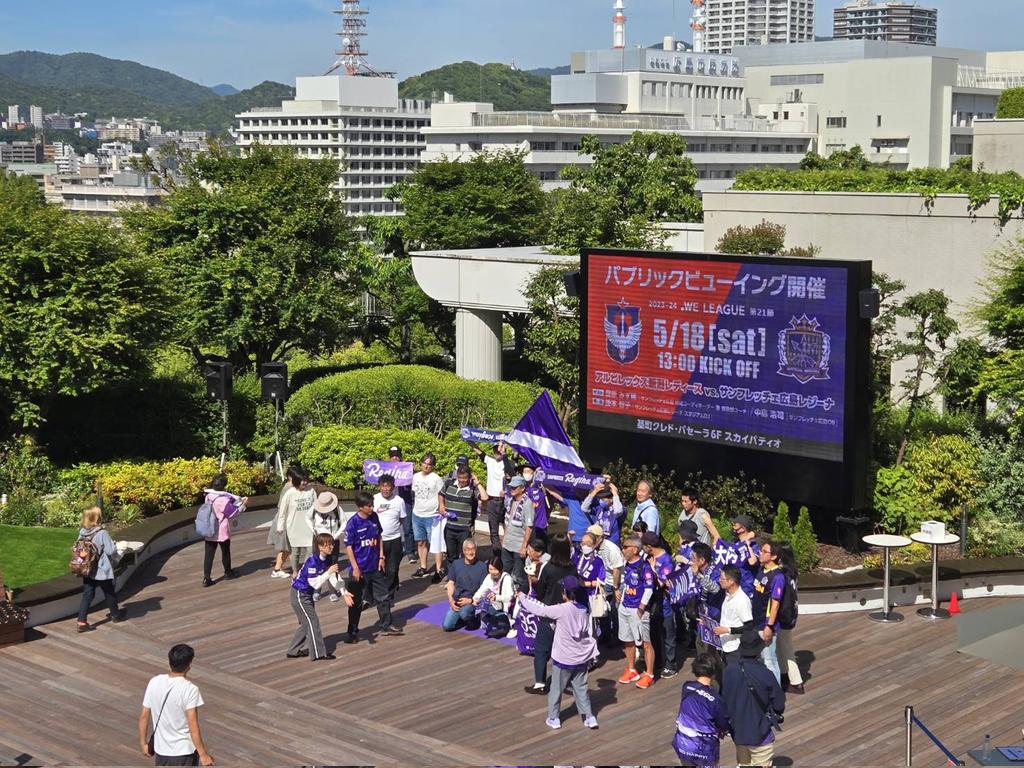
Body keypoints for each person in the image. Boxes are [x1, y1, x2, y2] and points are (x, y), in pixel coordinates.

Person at [519, 575, 599, 730]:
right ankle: (589, 717)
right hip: (581, 658)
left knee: (556, 689)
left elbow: (539, 610)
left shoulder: (561, 609)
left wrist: (522, 597)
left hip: (564, 659)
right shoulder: (584, 609)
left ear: (565, 593)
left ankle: (554, 718)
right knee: (581, 688)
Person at [139, 643, 213, 766]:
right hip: (183, 752)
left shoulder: (155, 681)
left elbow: (144, 716)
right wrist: (203, 754)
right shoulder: (190, 689)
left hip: (161, 750)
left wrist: (143, 743)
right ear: (189, 665)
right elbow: (193, 725)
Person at [721, 632, 787, 768]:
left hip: (738, 732)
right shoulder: (765, 673)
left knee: (743, 764)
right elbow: (779, 704)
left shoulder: (729, 671)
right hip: (760, 732)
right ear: (759, 650)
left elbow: (724, 700)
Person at [344, 491, 401, 641]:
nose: (371, 508)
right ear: (360, 507)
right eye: (368, 506)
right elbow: (349, 547)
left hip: (375, 566)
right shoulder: (352, 524)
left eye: (372, 505)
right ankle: (353, 632)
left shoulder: (374, 517)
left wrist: (381, 556)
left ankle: (386, 625)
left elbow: (379, 537)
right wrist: (355, 567)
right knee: (356, 603)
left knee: (384, 597)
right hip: (359, 570)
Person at [288, 532, 350, 660]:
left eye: (332, 544)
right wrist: (328, 572)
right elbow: (315, 584)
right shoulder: (312, 561)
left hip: (306, 595)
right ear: (320, 546)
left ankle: (293, 650)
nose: (331, 547)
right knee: (312, 622)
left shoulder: (327, 560)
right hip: (299, 594)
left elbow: (333, 578)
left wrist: (344, 592)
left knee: (306, 623)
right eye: (328, 545)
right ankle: (318, 653)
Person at [525, 534, 574, 695]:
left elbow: (540, 591)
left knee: (541, 649)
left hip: (550, 613)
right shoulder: (572, 567)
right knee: (566, 649)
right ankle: (568, 680)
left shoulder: (548, 568)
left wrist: (534, 581)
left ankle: (540, 683)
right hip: (568, 613)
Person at [673, 653, 730, 768]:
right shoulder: (715, 699)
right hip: (705, 751)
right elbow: (723, 723)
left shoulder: (687, 687)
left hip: (684, 745)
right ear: (713, 673)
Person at [75, 506, 126, 633]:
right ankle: (115, 615)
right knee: (109, 592)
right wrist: (113, 544)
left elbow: (79, 549)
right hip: (101, 569)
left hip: (87, 568)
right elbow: (110, 551)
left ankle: (81, 622)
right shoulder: (102, 533)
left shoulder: (82, 532)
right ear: (97, 518)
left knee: (88, 594)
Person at [616, 535, 656, 690]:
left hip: (638, 610)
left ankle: (650, 673)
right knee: (628, 640)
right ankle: (632, 669)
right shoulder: (626, 564)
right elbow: (626, 583)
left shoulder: (644, 566)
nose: (623, 549)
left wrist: (641, 607)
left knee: (646, 643)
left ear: (634, 549)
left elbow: (649, 588)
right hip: (625, 607)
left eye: (625, 546)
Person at [643, 530, 681, 679]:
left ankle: (671, 665)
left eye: (644, 546)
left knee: (668, 636)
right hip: (652, 604)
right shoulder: (648, 558)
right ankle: (657, 661)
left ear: (649, 546)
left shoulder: (666, 560)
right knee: (654, 634)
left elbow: (663, 583)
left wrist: (653, 569)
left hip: (664, 604)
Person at [753, 539, 788, 685]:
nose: (760, 553)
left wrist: (769, 625)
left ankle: (776, 694)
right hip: (756, 621)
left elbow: (775, 604)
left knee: (770, 660)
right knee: (761, 658)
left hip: (766, 624)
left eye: (764, 552)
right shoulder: (762, 570)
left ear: (773, 556)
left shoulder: (778, 577)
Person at [469, 438, 512, 553]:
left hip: (505, 500)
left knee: (507, 526)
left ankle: (507, 550)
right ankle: (497, 553)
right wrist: (469, 439)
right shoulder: (490, 461)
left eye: (499, 450)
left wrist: (504, 452)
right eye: (495, 450)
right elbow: (478, 451)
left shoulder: (507, 462)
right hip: (492, 500)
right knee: (493, 529)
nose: (497, 453)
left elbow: (512, 475)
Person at [585, 523, 624, 645]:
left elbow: (617, 569)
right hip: (603, 582)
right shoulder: (593, 549)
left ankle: (617, 637)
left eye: (593, 537)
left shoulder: (610, 549)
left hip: (616, 582)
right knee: (602, 609)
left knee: (615, 610)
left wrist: (616, 587)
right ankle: (605, 635)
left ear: (600, 537)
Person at [775, 543, 804, 695]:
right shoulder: (793, 572)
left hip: (784, 616)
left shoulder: (782, 574)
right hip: (791, 613)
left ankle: (796, 681)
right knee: (782, 645)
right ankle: (784, 674)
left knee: (786, 648)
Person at [711, 565, 755, 667]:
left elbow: (749, 626)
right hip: (725, 646)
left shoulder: (742, 600)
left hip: (735, 649)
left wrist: (728, 630)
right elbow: (727, 618)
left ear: (731, 581)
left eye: (722, 578)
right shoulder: (727, 595)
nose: (719, 580)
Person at [410, 453, 445, 579]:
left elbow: (441, 493)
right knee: (420, 542)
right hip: (417, 514)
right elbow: (415, 492)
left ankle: (439, 569)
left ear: (433, 466)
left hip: (432, 516)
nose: (426, 466)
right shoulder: (415, 477)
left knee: (435, 543)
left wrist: (441, 507)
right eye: (424, 463)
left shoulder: (436, 478)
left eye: (429, 464)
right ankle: (423, 567)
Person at [374, 474, 407, 602]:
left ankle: (389, 593)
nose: (385, 489)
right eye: (383, 486)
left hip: (394, 539)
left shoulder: (399, 501)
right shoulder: (374, 499)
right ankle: (380, 593)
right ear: (379, 487)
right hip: (378, 541)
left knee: (392, 570)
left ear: (393, 487)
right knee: (379, 569)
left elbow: (402, 519)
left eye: (388, 487)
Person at [439, 465, 481, 567]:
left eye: (465, 478)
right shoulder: (449, 483)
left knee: (465, 554)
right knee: (450, 554)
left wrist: (477, 483)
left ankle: (464, 576)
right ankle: (452, 577)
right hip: (449, 526)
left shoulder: (473, 489)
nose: (462, 480)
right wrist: (441, 505)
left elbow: (484, 497)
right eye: (460, 478)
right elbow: (441, 494)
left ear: (469, 478)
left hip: (464, 528)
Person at [443, 538, 488, 631]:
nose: (470, 552)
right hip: (457, 600)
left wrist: (471, 600)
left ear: (476, 550)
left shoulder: (482, 567)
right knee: (447, 626)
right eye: (468, 549)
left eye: (473, 549)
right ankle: (463, 618)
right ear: (463, 551)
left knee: (465, 614)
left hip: (472, 601)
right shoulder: (456, 564)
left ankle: (474, 619)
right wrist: (451, 600)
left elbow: (484, 589)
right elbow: (451, 583)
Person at [689, 543, 724, 661]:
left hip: (715, 617)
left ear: (702, 560)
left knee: (712, 652)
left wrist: (698, 576)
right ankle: (705, 675)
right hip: (703, 616)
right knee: (700, 645)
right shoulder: (697, 570)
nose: (691, 561)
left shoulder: (716, 571)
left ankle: (716, 677)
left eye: (693, 558)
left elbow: (715, 589)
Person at [501, 476, 534, 594]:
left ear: (522, 488)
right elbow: (507, 522)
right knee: (505, 573)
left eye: (515, 487)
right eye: (511, 487)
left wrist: (524, 546)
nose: (512, 489)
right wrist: (504, 539)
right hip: (507, 544)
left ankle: (521, 599)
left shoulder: (527, 503)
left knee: (519, 576)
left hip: (518, 545)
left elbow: (529, 527)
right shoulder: (511, 501)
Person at [714, 514, 760, 598]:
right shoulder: (734, 543)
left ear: (742, 528)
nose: (733, 527)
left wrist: (747, 544)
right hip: (731, 587)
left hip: (746, 588)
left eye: (735, 525)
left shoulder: (754, 544)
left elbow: (753, 561)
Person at [282, 471, 316, 577]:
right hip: (294, 526)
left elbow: (317, 505)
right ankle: (295, 570)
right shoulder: (289, 493)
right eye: (302, 480)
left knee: (311, 550)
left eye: (306, 480)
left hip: (309, 526)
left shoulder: (311, 491)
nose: (305, 483)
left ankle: (305, 568)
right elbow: (282, 511)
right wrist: (280, 526)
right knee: (295, 552)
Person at [269, 467, 300, 578]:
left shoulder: (291, 486)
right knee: (287, 547)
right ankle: (279, 569)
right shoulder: (289, 487)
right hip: (284, 520)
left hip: (286, 519)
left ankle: (282, 569)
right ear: (290, 477)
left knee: (288, 547)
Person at [387, 446, 417, 564]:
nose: (395, 457)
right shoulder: (386, 469)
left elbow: (414, 483)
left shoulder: (406, 469)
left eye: (397, 455)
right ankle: (396, 550)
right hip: (391, 501)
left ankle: (410, 551)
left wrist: (411, 470)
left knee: (407, 528)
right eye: (392, 455)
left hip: (406, 502)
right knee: (392, 527)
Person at [473, 555, 516, 635]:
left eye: (495, 569)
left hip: (506, 608)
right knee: (479, 607)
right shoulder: (489, 577)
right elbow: (482, 588)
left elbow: (510, 597)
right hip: (495, 605)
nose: (493, 572)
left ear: (500, 568)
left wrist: (497, 597)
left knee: (499, 622)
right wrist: (475, 597)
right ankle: (499, 624)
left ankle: (505, 625)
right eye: (490, 569)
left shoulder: (506, 578)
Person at [581, 480, 624, 545]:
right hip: (598, 543)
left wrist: (615, 494)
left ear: (611, 499)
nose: (601, 501)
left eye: (603, 499)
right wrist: (594, 492)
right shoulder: (599, 508)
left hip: (611, 544)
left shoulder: (617, 510)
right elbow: (584, 508)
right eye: (600, 498)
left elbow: (618, 510)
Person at [520, 464, 550, 543]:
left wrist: (538, 473)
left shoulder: (539, 486)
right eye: (524, 472)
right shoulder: (521, 488)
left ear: (533, 473)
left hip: (539, 525)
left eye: (528, 471)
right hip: (526, 525)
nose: (526, 474)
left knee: (541, 551)